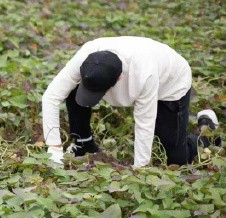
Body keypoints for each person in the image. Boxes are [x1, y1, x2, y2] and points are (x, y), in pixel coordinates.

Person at [42, 36, 219, 168]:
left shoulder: (143, 75)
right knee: (72, 88)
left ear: (119, 80)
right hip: (138, 69)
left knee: (176, 158)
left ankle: (207, 131)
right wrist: (54, 148)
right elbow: (51, 96)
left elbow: (144, 124)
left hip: (171, 84)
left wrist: (139, 170)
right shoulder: (87, 57)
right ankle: (84, 144)